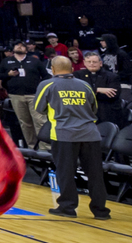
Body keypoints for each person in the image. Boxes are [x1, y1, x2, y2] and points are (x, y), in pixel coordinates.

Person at [34, 55, 110, 220]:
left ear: (53, 69)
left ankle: (67, 207)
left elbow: (38, 108)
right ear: (72, 69)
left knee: (66, 172)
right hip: (90, 134)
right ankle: (101, 211)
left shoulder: (47, 84)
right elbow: (94, 108)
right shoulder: (85, 85)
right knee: (95, 173)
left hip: (64, 134)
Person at [0, 43, 47, 154]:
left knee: (39, 120)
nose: (19, 47)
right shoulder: (6, 61)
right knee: (25, 123)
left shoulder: (34, 60)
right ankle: (32, 147)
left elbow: (45, 75)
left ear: (26, 50)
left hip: (34, 95)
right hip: (16, 95)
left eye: (22, 46)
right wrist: (8, 74)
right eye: (17, 45)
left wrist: (41, 88)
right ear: (13, 49)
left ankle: (45, 147)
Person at [79, 50, 124, 126]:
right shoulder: (78, 76)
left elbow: (112, 95)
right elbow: (77, 92)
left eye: (94, 62)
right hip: (85, 113)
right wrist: (97, 90)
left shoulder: (112, 77)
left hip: (106, 113)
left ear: (100, 63)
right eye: (89, 62)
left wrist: (87, 94)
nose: (91, 64)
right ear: (84, 63)